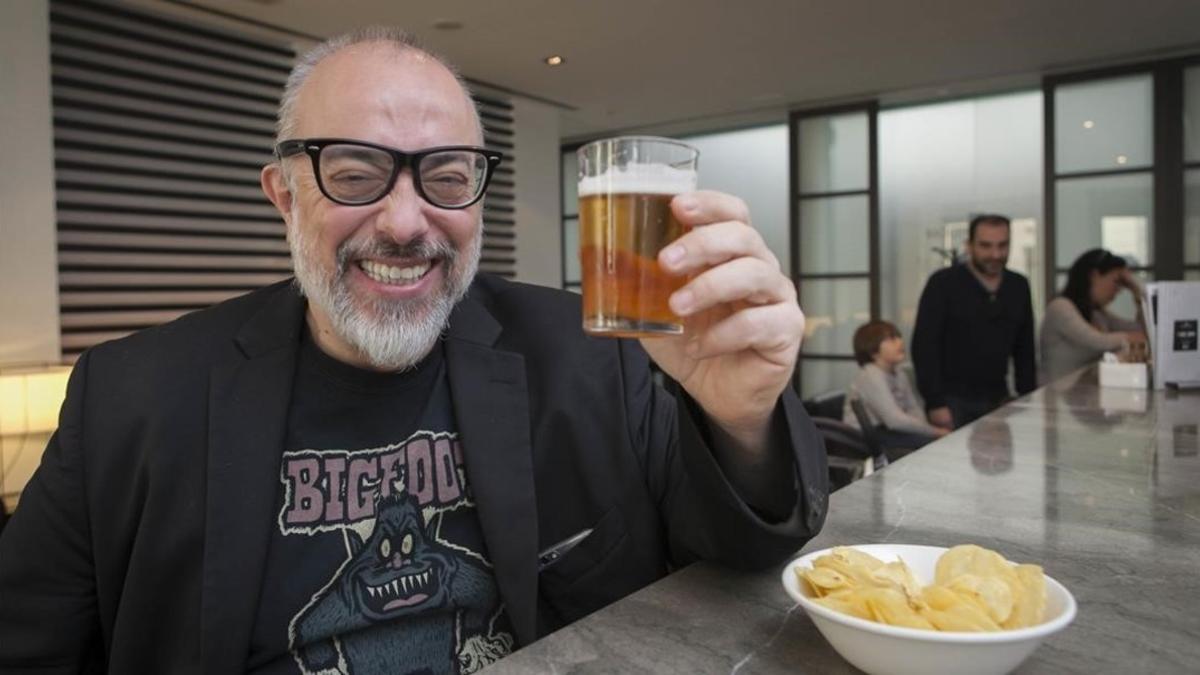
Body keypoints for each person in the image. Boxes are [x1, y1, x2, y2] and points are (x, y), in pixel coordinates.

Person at [0, 28, 828, 674]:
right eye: (355, 173)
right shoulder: (130, 398)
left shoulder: (589, 353)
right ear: (283, 195)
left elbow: (738, 568)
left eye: (445, 174)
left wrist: (741, 417)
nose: (405, 221)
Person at [911, 214, 1037, 429]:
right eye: (986, 246)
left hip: (999, 398)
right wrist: (935, 402)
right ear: (969, 246)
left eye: (1002, 245)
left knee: (1003, 462)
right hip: (952, 402)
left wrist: (1028, 398)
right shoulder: (943, 284)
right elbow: (924, 346)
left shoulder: (1018, 285)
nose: (995, 254)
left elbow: (1025, 348)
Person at [1040, 248, 1147, 382]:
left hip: (1082, 397)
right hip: (1053, 397)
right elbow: (1098, 341)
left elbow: (1142, 329)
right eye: (1116, 282)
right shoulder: (1060, 307)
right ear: (1094, 276)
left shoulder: (1097, 313)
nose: (1118, 290)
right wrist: (1132, 338)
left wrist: (1136, 289)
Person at [844, 320, 948, 453]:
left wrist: (926, 429)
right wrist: (935, 431)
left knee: (931, 443)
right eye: (892, 339)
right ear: (873, 349)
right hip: (866, 436)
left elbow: (913, 407)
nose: (900, 342)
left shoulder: (899, 372)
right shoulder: (870, 375)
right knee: (930, 446)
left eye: (898, 337)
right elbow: (893, 420)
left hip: (889, 430)